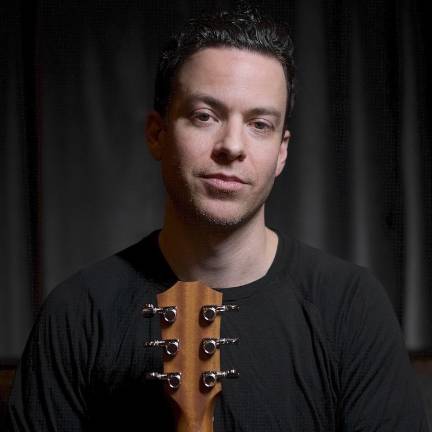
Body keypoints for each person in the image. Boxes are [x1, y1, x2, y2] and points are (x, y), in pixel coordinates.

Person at [6, 4, 428, 431]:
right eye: (204, 116)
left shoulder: (351, 307)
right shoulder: (78, 313)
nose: (232, 146)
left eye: (259, 124)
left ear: (281, 151)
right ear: (157, 134)